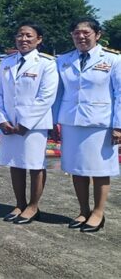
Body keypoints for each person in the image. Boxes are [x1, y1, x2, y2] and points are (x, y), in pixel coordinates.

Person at [53, 17, 121, 233]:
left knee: (100, 169)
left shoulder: (112, 60)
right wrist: (54, 120)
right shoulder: (63, 60)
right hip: (72, 122)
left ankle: (98, 212)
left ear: (97, 34)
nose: (80, 36)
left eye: (86, 32)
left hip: (100, 123)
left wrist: (118, 125)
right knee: (77, 168)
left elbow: (119, 94)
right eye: (76, 33)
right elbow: (58, 93)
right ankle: (83, 210)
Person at [0, 22, 58, 224]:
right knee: (16, 163)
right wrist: (2, 119)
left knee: (35, 164)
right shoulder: (7, 62)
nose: (24, 39)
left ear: (39, 40)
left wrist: (26, 123)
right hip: (10, 124)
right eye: (20, 35)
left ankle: (33, 206)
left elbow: (46, 96)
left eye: (29, 36)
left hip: (34, 125)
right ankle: (19, 203)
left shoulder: (46, 63)